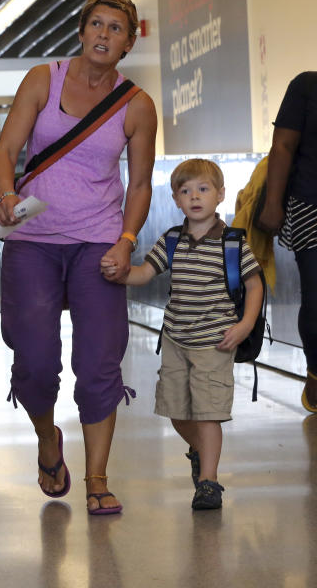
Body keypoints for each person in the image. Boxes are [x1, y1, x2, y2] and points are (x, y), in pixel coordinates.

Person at [0, 0, 158, 514]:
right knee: (35, 360)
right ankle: (47, 439)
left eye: (115, 28)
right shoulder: (44, 79)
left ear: (129, 43)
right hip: (33, 241)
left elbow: (140, 186)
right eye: (96, 25)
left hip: (97, 242)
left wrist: (127, 241)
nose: (104, 35)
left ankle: (98, 478)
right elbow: (5, 150)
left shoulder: (137, 106)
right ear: (82, 31)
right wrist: (6, 193)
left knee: (99, 361)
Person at [112, 159, 263, 510]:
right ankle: (199, 451)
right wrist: (119, 272)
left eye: (203, 189)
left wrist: (244, 326)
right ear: (177, 199)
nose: (195, 197)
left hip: (216, 341)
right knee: (177, 411)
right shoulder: (172, 240)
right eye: (186, 191)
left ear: (220, 195)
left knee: (208, 413)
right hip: (177, 340)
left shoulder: (232, 243)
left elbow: (254, 286)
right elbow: (144, 273)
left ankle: (208, 482)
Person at [256, 72, 317, 413]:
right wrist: (273, 203)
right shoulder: (307, 86)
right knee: (316, 298)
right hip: (312, 205)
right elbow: (283, 145)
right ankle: (316, 372)